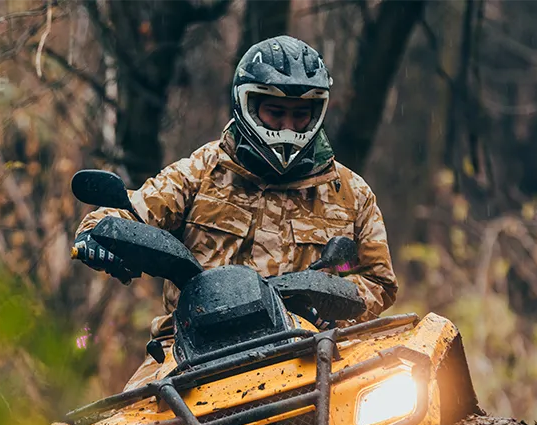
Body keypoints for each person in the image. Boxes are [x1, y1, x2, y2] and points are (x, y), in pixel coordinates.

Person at [72, 35, 398, 390]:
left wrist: (330, 300)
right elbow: (132, 212)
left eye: (300, 114)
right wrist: (96, 234)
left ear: (317, 113)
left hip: (311, 343)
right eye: (275, 112)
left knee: (402, 415)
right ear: (247, 104)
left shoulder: (350, 192)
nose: (288, 127)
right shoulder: (201, 171)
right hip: (188, 349)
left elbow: (378, 280)